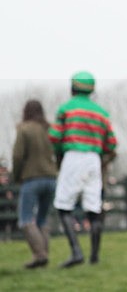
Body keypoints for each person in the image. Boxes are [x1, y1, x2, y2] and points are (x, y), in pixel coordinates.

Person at [50, 71, 117, 267]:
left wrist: (59, 153)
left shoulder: (66, 109)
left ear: (72, 87)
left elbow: (54, 137)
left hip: (72, 157)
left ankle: (76, 252)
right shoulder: (101, 113)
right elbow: (112, 143)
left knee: (63, 206)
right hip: (94, 160)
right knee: (93, 207)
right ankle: (94, 256)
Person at [12, 100, 58, 268]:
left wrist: (16, 176)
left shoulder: (24, 129)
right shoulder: (50, 129)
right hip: (51, 178)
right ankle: (43, 256)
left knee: (25, 219)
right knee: (42, 219)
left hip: (32, 178)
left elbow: (17, 156)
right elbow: (59, 151)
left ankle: (40, 255)